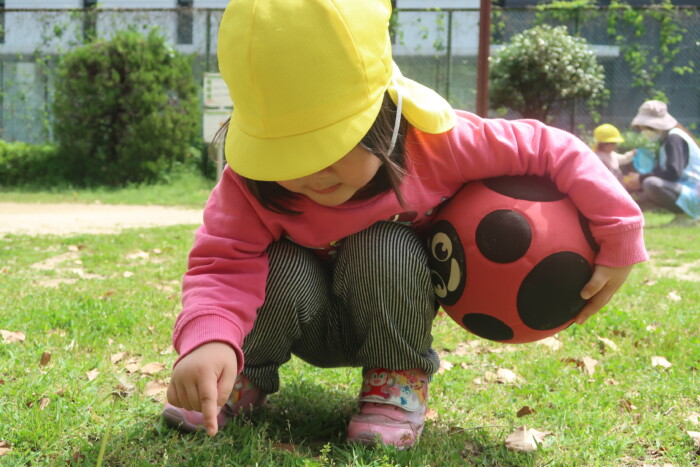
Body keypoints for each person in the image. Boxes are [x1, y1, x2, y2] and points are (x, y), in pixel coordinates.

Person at [161, 0, 648, 449]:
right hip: (300, 316)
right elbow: (222, 264)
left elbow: (548, 148)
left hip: (391, 313)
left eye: (331, 144)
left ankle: (397, 378)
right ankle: (236, 375)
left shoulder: (438, 144)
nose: (311, 171)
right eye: (286, 153)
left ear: (385, 116)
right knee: (279, 262)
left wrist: (620, 229)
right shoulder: (253, 184)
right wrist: (210, 340)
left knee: (385, 244)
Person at [625, 100, 700, 223]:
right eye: (641, 128)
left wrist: (641, 178)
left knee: (651, 184)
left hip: (695, 192)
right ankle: (685, 216)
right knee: (644, 190)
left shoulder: (674, 139)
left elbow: (673, 173)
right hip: (687, 190)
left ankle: (689, 217)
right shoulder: (667, 139)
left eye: (646, 128)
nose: (644, 131)